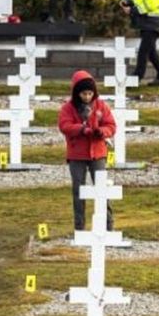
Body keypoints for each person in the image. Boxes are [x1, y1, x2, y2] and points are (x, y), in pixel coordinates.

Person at [58, 70, 116, 230]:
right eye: (84, 94)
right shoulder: (68, 108)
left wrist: (102, 132)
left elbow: (111, 125)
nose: (87, 97)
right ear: (77, 93)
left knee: (102, 190)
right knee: (78, 191)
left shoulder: (101, 106)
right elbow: (64, 126)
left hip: (97, 154)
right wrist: (82, 130)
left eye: (90, 93)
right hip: (77, 155)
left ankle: (108, 225)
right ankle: (79, 227)